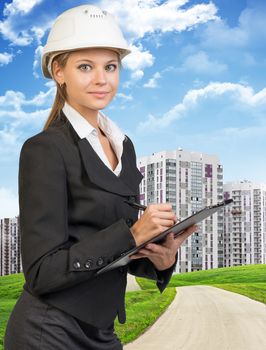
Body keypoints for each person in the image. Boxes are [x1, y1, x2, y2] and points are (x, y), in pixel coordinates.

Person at [4, 4, 197, 350]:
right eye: (85, 67)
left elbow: (109, 251)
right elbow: (42, 272)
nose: (101, 79)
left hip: (101, 332)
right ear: (58, 71)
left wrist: (160, 259)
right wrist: (133, 232)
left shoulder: (124, 145)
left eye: (110, 66)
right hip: (48, 332)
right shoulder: (44, 150)